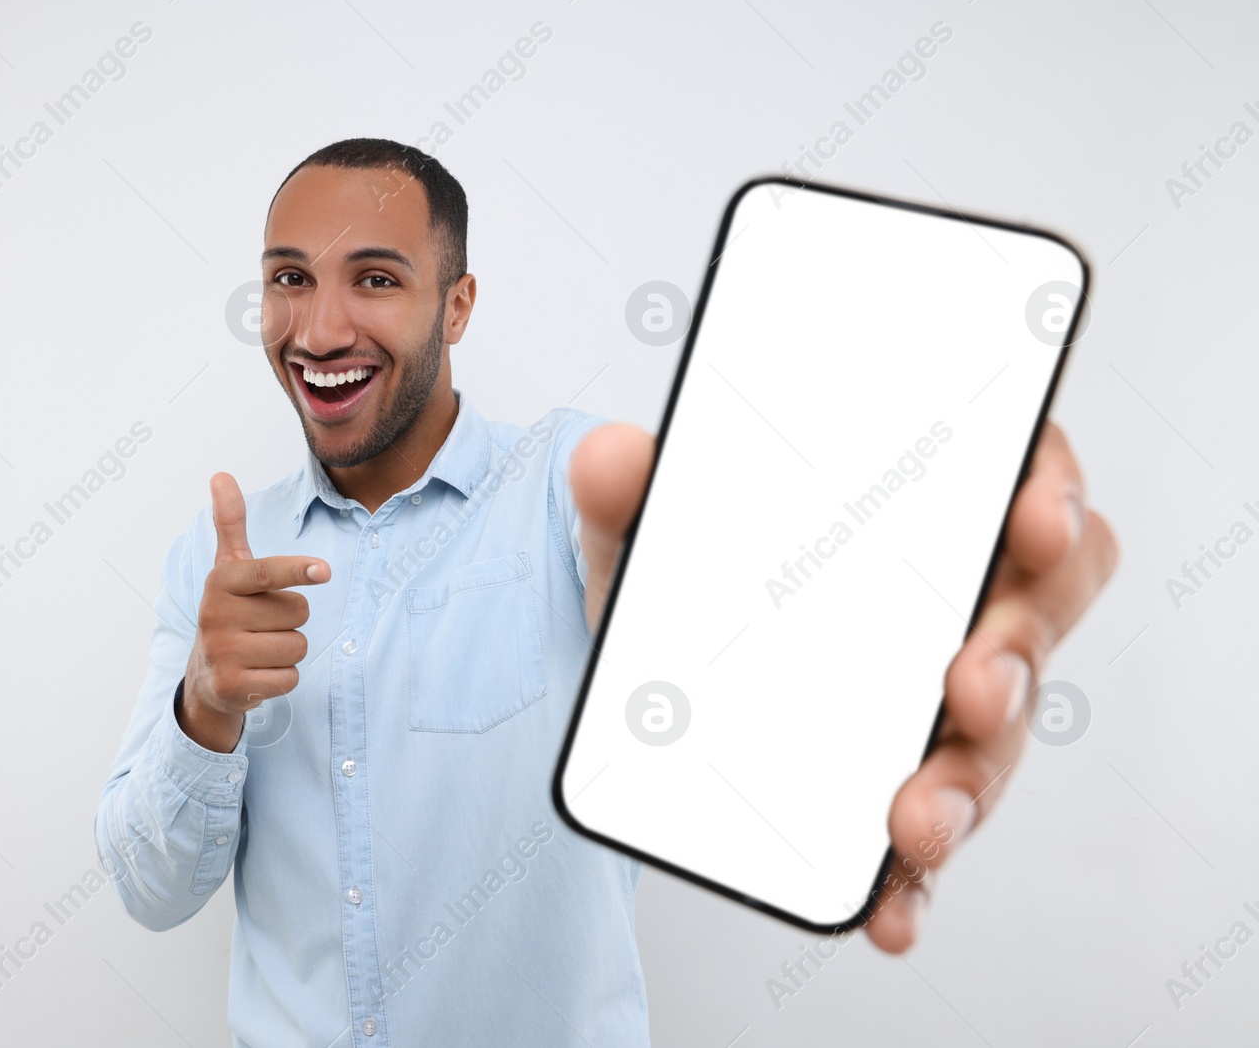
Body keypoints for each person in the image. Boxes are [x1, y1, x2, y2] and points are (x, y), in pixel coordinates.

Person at [94, 138, 1118, 1046]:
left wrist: (872, 559)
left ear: (456, 303)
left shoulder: (569, 480)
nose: (317, 328)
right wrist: (206, 706)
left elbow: (703, 583)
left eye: (374, 278)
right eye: (288, 279)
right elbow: (152, 889)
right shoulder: (218, 556)